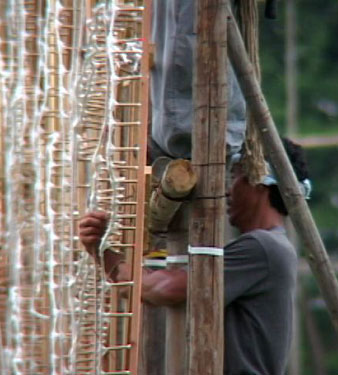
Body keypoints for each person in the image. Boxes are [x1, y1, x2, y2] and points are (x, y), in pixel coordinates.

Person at [79, 138, 311, 375]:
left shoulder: (263, 248)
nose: (227, 190)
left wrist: (103, 252)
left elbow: (162, 289)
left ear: (260, 183)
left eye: (237, 176)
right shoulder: (271, 246)